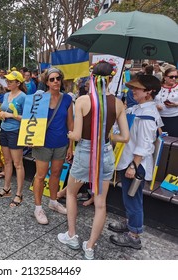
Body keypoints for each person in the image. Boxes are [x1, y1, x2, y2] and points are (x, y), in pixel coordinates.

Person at [58, 61, 129, 260]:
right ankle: (90, 247)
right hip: (106, 153)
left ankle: (72, 236)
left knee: (71, 193)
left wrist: (70, 134)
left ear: (92, 77)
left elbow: (78, 135)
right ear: (112, 78)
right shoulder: (117, 103)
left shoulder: (82, 100)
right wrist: (106, 137)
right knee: (101, 203)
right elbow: (125, 137)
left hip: (84, 152)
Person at [109, 75, 163, 250]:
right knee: (129, 197)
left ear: (149, 92)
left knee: (133, 200)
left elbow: (146, 143)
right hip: (128, 161)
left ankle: (134, 235)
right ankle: (130, 223)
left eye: (137, 89)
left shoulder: (148, 113)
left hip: (134, 164)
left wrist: (134, 165)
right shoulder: (139, 109)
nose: (133, 91)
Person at [32, 68, 74, 225]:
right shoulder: (39, 98)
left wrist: (71, 145)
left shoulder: (67, 99)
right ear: (46, 82)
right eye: (52, 79)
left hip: (61, 143)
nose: (56, 81)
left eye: (58, 78)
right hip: (42, 143)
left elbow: (70, 122)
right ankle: (38, 207)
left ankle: (53, 201)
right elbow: (30, 120)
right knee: (40, 176)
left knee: (56, 173)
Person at [0, 70, 26, 207]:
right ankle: (7, 188)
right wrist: (1, 114)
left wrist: (11, 116)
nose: (7, 83)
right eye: (7, 81)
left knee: (18, 163)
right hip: (5, 130)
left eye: (11, 81)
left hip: (16, 132)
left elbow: (27, 118)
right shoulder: (6, 94)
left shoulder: (23, 97)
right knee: (7, 161)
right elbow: (2, 111)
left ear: (18, 83)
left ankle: (19, 193)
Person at [154, 67, 178, 137]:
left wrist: (175, 104)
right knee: (159, 140)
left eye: (176, 77)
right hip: (158, 118)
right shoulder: (157, 87)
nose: (174, 79)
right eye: (171, 77)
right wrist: (155, 106)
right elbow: (150, 100)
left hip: (174, 118)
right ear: (165, 77)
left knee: (173, 141)